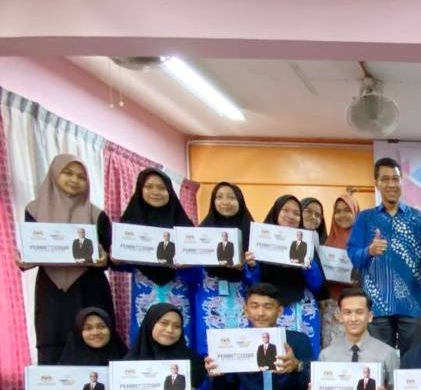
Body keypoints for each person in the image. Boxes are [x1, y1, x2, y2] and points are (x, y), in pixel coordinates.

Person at [18, 155, 114, 368]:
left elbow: (111, 254)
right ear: (54, 175)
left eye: (81, 176)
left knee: (94, 340)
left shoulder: (97, 214)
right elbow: (32, 248)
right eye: (67, 173)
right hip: (51, 291)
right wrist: (25, 259)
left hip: (89, 289)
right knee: (53, 342)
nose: (74, 180)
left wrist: (105, 259)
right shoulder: (34, 210)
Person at [347, 158, 421, 354]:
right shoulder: (365, 218)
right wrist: (368, 251)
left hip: (413, 304)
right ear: (376, 183)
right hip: (377, 305)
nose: (391, 184)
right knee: (378, 363)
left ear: (401, 181)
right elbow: (353, 254)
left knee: (412, 363)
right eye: (385, 179)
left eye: (395, 179)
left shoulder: (417, 218)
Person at [116, 168, 197, 346]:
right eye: (149, 187)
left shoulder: (183, 224)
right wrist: (115, 258)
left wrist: (188, 265)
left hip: (177, 290)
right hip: (145, 290)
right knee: (146, 335)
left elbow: (198, 270)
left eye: (161, 188)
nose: (155, 192)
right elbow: (120, 262)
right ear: (140, 189)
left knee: (180, 337)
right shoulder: (130, 221)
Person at [248, 195, 326, 357]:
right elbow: (253, 284)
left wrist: (308, 266)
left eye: (296, 213)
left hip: (300, 308)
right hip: (269, 308)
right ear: (276, 212)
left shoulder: (306, 243)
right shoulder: (259, 240)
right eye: (285, 210)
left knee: (304, 356)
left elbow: (317, 285)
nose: (291, 216)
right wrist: (252, 266)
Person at [193, 182, 254, 356]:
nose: (225, 202)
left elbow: (262, 279)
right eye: (219, 197)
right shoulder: (200, 234)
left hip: (243, 299)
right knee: (209, 350)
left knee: (244, 351)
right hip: (209, 297)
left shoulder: (253, 233)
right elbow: (189, 276)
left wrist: (248, 267)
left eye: (231, 197)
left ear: (240, 202)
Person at [320, 194, 360, 348]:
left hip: (356, 306)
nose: (342, 215)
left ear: (356, 212)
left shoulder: (364, 242)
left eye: (347, 210)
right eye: (338, 211)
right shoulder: (326, 242)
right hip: (331, 307)